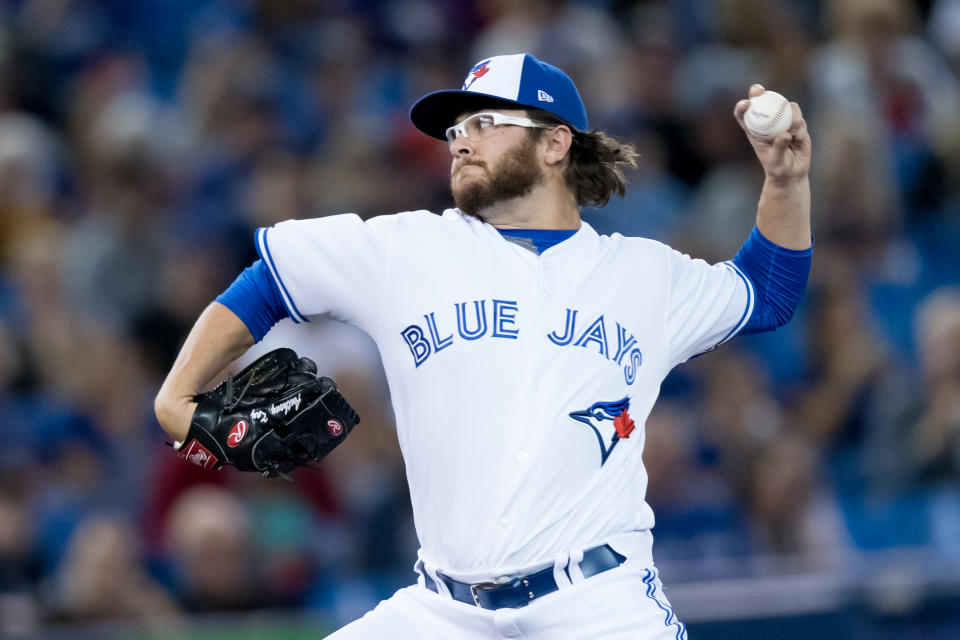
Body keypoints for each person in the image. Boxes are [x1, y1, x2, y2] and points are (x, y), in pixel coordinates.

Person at [155, 53, 812, 639]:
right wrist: (177, 396)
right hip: (443, 611)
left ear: (556, 143)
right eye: (455, 130)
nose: (459, 142)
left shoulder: (643, 275)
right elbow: (273, 278)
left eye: (484, 123)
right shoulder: (408, 249)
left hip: (597, 605)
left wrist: (784, 183)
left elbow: (765, 291)